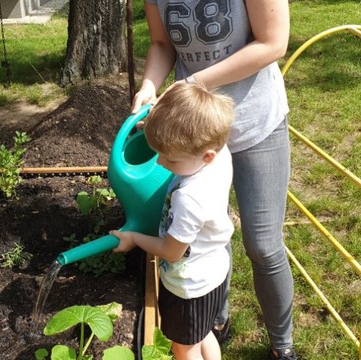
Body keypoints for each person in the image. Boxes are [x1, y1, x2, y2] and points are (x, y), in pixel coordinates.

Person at [131, 1, 296, 359]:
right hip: (191, 135)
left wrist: (192, 83)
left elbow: (273, 42)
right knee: (206, 228)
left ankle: (282, 346)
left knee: (264, 245)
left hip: (254, 120)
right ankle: (213, 321)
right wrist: (149, 86)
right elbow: (162, 44)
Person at [112, 81, 235, 360]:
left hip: (187, 287)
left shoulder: (189, 198)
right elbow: (193, 131)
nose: (161, 163)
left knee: (184, 348)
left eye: (171, 159)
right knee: (204, 334)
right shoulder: (220, 153)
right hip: (215, 271)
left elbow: (171, 251)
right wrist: (159, 128)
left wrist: (134, 239)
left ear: (206, 155)